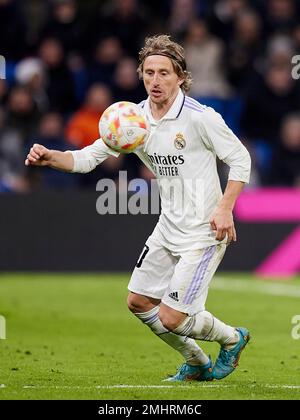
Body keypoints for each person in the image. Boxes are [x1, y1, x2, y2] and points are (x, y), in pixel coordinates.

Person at [25, 34, 251, 382]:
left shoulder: (200, 118)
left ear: (180, 77)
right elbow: (88, 158)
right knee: (139, 302)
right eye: (149, 73)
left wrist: (225, 208)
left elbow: (240, 159)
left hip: (204, 231)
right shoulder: (133, 119)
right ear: (140, 74)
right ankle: (196, 361)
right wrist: (50, 157)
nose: (155, 81)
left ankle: (232, 338)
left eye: (164, 73)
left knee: (173, 317)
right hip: (168, 227)